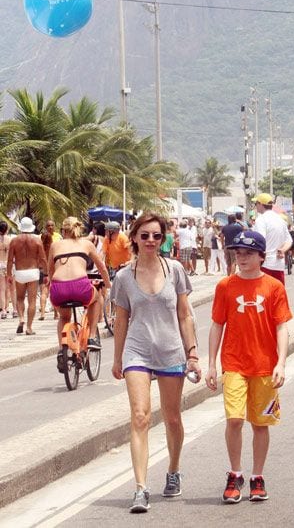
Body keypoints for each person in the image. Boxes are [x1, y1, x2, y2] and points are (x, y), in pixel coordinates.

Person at [112, 212, 201, 514]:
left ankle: (173, 469)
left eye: (156, 236)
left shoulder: (174, 269)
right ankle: (140, 488)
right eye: (145, 235)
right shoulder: (124, 276)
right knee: (140, 416)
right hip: (137, 352)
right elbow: (121, 320)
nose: (150, 240)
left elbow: (185, 314)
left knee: (172, 417)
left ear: (164, 239)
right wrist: (117, 358)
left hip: (171, 351)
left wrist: (192, 353)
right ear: (134, 237)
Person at [206, 230, 292, 503]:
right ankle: (235, 473)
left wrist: (281, 362)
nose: (242, 258)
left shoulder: (273, 287)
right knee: (234, 419)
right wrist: (211, 364)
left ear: (261, 256)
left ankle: (257, 477)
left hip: (265, 366)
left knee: (260, 423)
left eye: (248, 253)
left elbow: (281, 327)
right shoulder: (225, 286)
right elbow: (217, 325)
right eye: (238, 253)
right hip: (234, 364)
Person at [48, 216, 111, 369]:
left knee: (64, 317)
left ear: (63, 231)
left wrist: (53, 284)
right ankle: (92, 338)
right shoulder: (87, 244)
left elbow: (50, 270)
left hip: (58, 289)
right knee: (97, 299)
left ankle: (61, 350)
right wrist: (108, 284)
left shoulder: (55, 245)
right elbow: (101, 267)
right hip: (80, 286)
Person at [6, 217, 48, 335]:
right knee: (32, 301)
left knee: (20, 298)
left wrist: (9, 274)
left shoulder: (14, 241)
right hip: (33, 271)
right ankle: (29, 327)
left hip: (19, 272)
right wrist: (46, 274)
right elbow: (43, 259)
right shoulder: (37, 240)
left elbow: (10, 260)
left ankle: (21, 319)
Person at [252, 194, 292, 285]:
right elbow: (289, 240)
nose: (255, 206)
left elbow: (260, 241)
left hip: (265, 265)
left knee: (263, 296)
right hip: (279, 265)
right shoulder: (280, 219)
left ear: (260, 204)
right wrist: (282, 250)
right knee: (278, 295)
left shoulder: (261, 220)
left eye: (256, 203)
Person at [39, 219, 62, 320]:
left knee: (44, 291)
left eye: (52, 225)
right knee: (53, 291)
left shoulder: (41, 242)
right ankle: (56, 314)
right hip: (53, 268)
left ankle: (43, 313)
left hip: (43, 268)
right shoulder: (53, 245)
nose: (50, 227)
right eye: (48, 225)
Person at [0, 222, 13, 319]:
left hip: (0, 265)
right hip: (8, 265)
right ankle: (9, 307)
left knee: (2, 289)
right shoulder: (10, 240)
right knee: (10, 288)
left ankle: (3, 310)